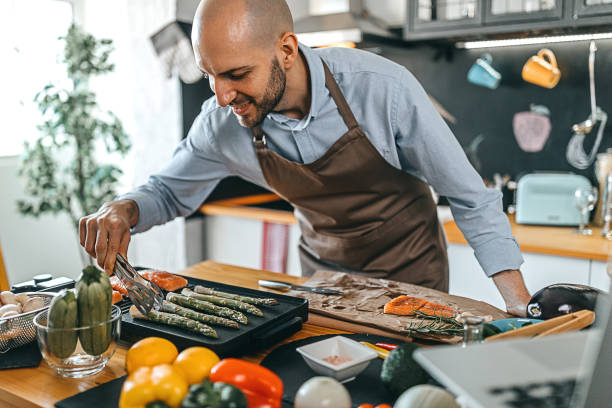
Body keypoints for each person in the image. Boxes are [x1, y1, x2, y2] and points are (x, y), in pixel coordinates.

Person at [79, 0, 531, 316]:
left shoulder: (381, 88)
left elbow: (470, 197)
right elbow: (166, 191)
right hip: (321, 283)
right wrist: (125, 208)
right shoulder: (223, 120)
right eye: (210, 75)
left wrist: (516, 303)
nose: (221, 96)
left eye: (237, 74)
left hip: (412, 275)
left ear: (287, 50)